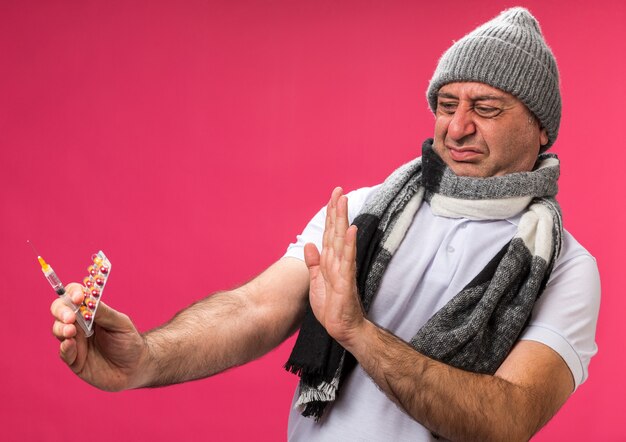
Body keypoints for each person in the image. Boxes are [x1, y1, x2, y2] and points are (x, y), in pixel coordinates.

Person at [50, 7, 600, 441]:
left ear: (541, 128)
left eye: (486, 108)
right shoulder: (363, 210)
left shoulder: (567, 270)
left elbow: (507, 420)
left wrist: (357, 332)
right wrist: (147, 358)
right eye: (446, 103)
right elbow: (254, 308)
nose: (456, 127)